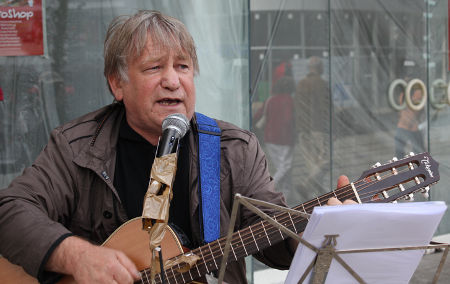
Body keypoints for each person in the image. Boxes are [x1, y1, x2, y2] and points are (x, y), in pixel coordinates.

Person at [0, 10, 351, 284]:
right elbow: (10, 210)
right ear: (116, 83)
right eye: (154, 67)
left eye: (182, 66)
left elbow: (274, 235)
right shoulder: (76, 147)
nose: (173, 80)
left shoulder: (235, 149)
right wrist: (76, 257)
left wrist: (315, 232)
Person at [254, 66, 296, 194]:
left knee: (282, 167)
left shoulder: (270, 99)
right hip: (284, 139)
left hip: (270, 139)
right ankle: (269, 190)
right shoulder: (289, 100)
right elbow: (288, 119)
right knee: (286, 166)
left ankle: (286, 193)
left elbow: (257, 116)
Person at [294, 56, 330, 199]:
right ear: (320, 68)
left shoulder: (301, 84)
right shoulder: (322, 84)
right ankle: (307, 185)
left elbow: (297, 107)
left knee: (312, 164)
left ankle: (318, 195)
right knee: (325, 161)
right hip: (318, 128)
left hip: (303, 129)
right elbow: (326, 108)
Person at [394, 79, 425, 158]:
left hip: (411, 127)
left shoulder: (417, 93)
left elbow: (418, 108)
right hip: (404, 126)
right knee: (399, 152)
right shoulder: (403, 95)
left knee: (419, 152)